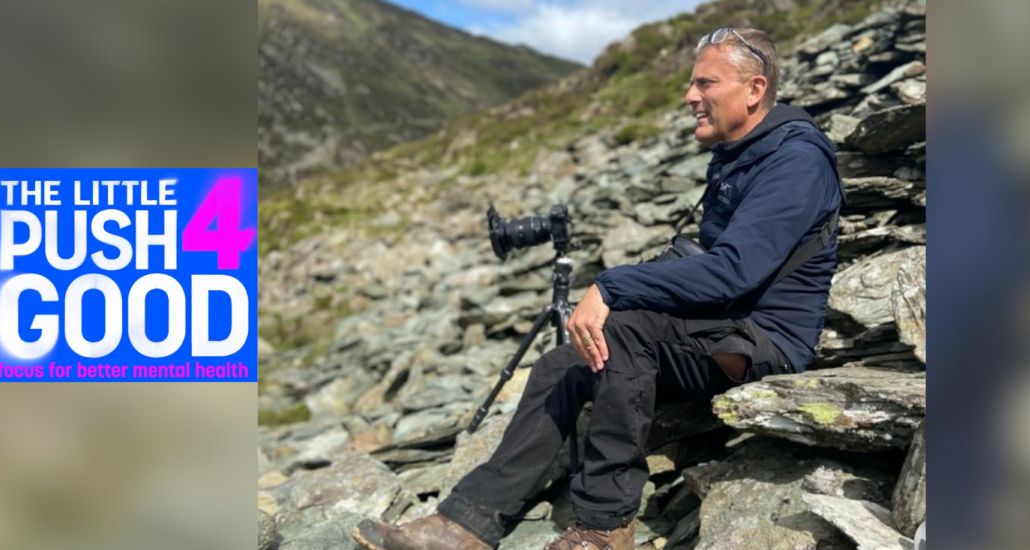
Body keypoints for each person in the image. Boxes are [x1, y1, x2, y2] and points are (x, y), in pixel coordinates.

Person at [351, 27, 843, 550]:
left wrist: (611, 286)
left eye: (705, 83)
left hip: (763, 343)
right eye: (690, 83)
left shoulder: (796, 160)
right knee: (562, 364)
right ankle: (463, 525)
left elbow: (733, 271)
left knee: (624, 331)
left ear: (754, 88)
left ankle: (604, 528)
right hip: (721, 324)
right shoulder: (742, 151)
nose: (689, 96)